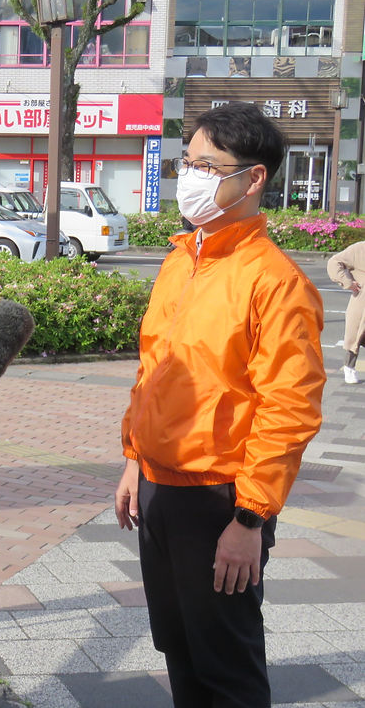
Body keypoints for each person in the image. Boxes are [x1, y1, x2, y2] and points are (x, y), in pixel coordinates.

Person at [114, 102, 326, 708]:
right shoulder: (183, 260)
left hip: (221, 502)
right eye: (188, 162)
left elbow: (290, 407)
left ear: (252, 177)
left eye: (208, 165)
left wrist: (250, 520)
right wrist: (135, 459)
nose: (192, 177)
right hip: (160, 487)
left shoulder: (275, 281)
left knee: (226, 667)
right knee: (179, 649)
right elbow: (154, 369)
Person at [326, 240, 365, 384]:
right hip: (361, 304)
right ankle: (349, 368)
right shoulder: (359, 249)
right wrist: (348, 282)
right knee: (354, 339)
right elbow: (334, 262)